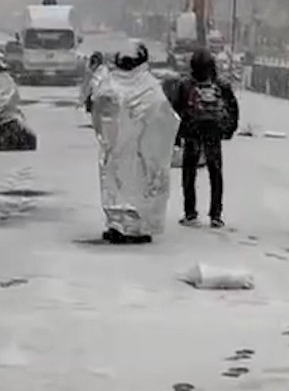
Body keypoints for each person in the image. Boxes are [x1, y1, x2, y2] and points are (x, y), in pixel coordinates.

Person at [89, 42, 178, 244]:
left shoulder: (108, 86)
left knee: (115, 185)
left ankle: (117, 225)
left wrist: (110, 137)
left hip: (117, 151)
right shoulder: (150, 88)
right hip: (141, 152)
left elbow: (98, 115)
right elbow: (164, 120)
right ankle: (137, 227)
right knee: (139, 186)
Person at [169, 48, 239, 228]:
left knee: (189, 172)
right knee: (215, 173)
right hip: (213, 132)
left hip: (192, 131)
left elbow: (175, 110)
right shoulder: (221, 85)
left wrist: (176, 135)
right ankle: (216, 214)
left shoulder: (185, 85)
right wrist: (228, 129)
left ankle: (190, 213)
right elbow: (233, 109)